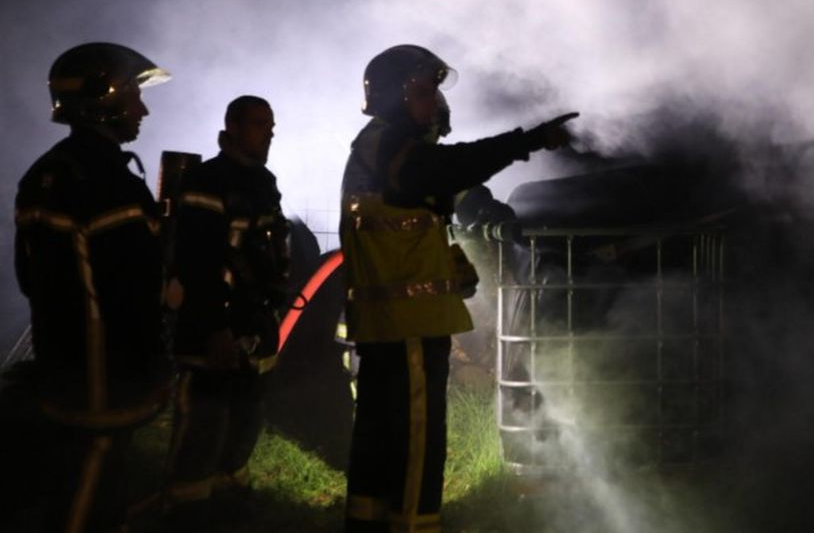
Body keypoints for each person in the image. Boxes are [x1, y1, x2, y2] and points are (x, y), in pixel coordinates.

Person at [341, 44, 576, 533]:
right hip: (408, 322)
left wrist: (463, 255)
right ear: (392, 95)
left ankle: (369, 521)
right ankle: (414, 525)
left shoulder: (386, 151)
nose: (435, 105)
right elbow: (451, 171)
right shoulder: (388, 147)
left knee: (382, 431)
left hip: (397, 321)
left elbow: (422, 215)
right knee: (417, 433)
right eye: (424, 92)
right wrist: (525, 140)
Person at [14, 42, 174, 532]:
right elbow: (134, 284)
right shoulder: (107, 182)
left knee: (79, 481)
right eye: (133, 94)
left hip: (63, 360)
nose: (141, 108)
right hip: (107, 371)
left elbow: (29, 276)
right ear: (102, 98)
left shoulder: (49, 172)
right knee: (93, 488)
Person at [165, 95, 290, 520]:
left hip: (255, 324)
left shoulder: (264, 181)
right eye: (259, 124)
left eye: (271, 125)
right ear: (232, 127)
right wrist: (215, 328)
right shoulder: (207, 180)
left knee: (244, 422)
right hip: (212, 330)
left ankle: (230, 502)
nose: (269, 132)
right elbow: (197, 262)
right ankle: (187, 513)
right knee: (203, 426)